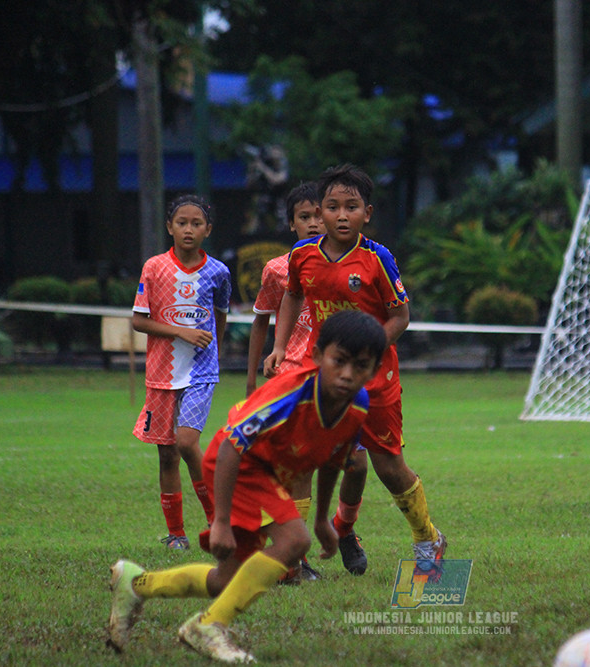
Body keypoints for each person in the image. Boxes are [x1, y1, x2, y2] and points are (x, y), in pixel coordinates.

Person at [107, 310, 387, 663]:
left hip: (265, 474)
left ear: (374, 371)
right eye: (339, 361)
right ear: (317, 356)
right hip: (237, 464)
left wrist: (321, 520)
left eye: (360, 366)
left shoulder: (357, 407)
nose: (347, 374)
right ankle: (209, 626)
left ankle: (135, 584)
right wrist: (221, 522)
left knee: (225, 581)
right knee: (294, 541)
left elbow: (334, 460)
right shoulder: (292, 393)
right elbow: (231, 446)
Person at [263, 163, 447, 575]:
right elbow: (292, 296)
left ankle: (427, 537)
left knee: (388, 467)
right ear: (320, 212)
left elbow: (400, 317)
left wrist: (367, 352)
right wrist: (279, 346)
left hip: (374, 379)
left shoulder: (377, 258)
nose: (341, 215)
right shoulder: (301, 256)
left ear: (367, 213)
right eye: (332, 207)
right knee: (302, 457)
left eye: (352, 207)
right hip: (320, 377)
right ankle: (295, 557)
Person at [245, 182, 370, 579]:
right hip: (295, 378)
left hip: (337, 378)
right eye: (305, 217)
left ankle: (343, 527)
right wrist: (254, 376)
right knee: (300, 467)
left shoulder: (349, 262)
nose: (315, 223)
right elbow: (261, 322)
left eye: (320, 214)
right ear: (291, 224)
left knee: (356, 463)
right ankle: (294, 559)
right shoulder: (278, 269)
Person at [132, 194, 231, 550]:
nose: (189, 229)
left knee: (186, 442)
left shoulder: (218, 272)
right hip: (162, 372)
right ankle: (176, 534)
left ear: (208, 230)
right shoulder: (154, 268)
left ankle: (217, 521)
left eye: (196, 223)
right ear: (169, 227)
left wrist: (214, 349)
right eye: (182, 223)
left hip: (200, 372)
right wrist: (181, 332)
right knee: (166, 454)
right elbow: (138, 321)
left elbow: (221, 316)